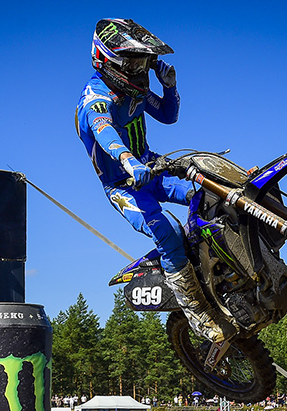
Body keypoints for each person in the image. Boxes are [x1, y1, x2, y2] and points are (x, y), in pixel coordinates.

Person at [76, 18, 227, 343]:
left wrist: (169, 86)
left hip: (152, 168)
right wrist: (128, 161)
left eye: (144, 63)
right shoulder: (95, 100)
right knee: (168, 231)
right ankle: (198, 316)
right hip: (124, 185)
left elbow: (168, 116)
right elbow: (105, 131)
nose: (140, 70)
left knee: (208, 195)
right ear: (108, 61)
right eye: (134, 63)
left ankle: (222, 269)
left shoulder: (136, 92)